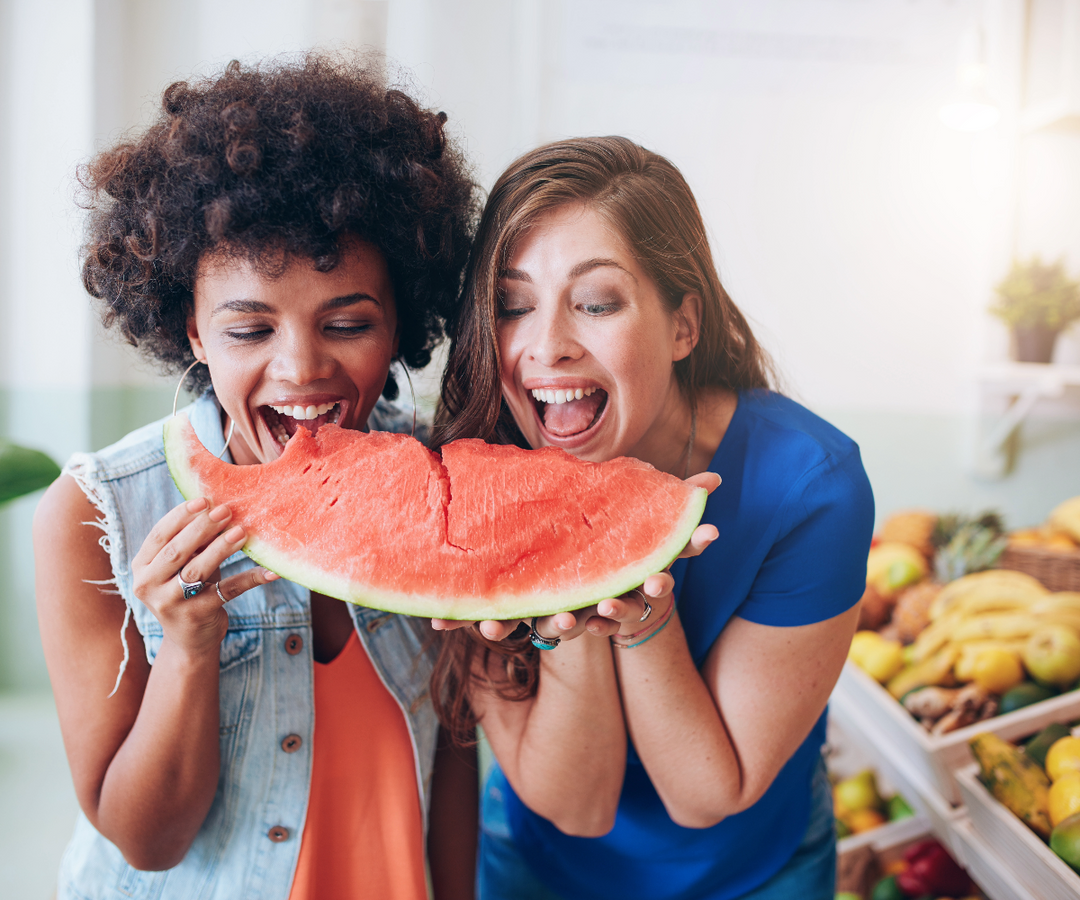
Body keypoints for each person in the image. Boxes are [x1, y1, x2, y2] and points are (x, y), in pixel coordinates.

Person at [34, 56, 479, 899]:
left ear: (399, 323)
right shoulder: (98, 514)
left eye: (348, 323)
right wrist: (189, 649)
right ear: (192, 332)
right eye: (249, 330)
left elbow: (454, 756)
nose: (301, 368)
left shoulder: (439, 486)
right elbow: (146, 842)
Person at [430, 136, 875, 900]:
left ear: (682, 326)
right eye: (512, 306)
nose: (547, 346)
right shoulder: (470, 475)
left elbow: (708, 793)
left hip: (755, 873)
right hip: (542, 866)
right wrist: (574, 581)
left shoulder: (811, 487)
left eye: (596, 303)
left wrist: (642, 615)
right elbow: (577, 807)